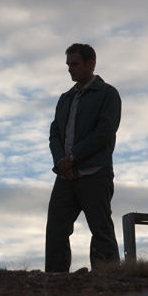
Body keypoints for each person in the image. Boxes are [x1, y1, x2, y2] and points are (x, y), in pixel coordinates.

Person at [45, 43, 121, 272]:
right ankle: (55, 281)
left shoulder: (108, 94)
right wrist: (61, 162)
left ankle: (107, 279)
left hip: (95, 172)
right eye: (68, 64)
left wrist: (73, 157)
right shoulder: (65, 98)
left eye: (75, 64)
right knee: (56, 229)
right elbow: (55, 133)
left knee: (101, 229)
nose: (70, 69)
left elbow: (105, 132)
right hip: (66, 176)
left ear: (91, 63)